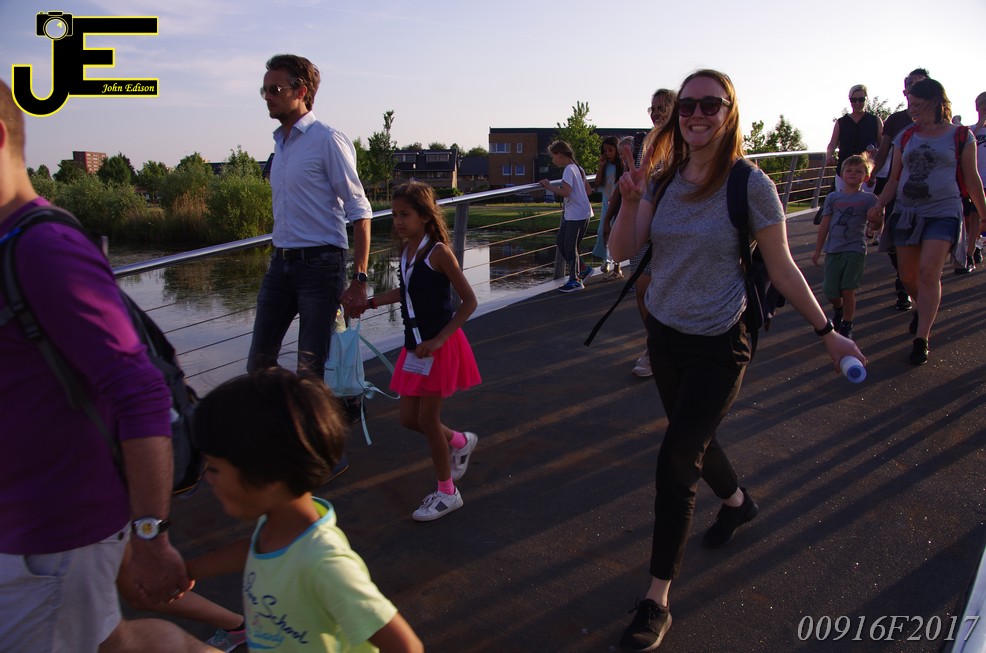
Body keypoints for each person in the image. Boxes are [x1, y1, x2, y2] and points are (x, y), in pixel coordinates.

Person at [608, 69, 863, 652]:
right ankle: (739, 504)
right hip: (665, 335)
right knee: (695, 440)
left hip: (721, 342)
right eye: (688, 106)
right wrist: (629, 201)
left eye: (710, 105)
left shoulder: (750, 185)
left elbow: (783, 268)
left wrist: (828, 332)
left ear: (729, 112)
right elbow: (623, 250)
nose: (696, 115)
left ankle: (656, 600)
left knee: (676, 460)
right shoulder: (663, 180)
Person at [0, 78, 214, 652]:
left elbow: (139, 392)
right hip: (25, 529)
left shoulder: (44, 249)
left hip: (50, 539)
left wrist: (150, 534)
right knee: (115, 642)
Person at [187, 369, 423, 652]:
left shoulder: (324, 564)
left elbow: (406, 646)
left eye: (215, 468)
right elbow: (258, 552)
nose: (208, 478)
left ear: (268, 477)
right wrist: (188, 571)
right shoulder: (278, 527)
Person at [360, 182, 482, 521]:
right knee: (408, 419)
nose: (398, 221)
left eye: (405, 215)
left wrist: (440, 340)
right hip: (415, 347)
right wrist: (370, 303)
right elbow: (406, 292)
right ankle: (459, 441)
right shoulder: (406, 251)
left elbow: (469, 301)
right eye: (394, 215)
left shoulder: (438, 252)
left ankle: (448, 492)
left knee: (428, 419)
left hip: (438, 346)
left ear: (425, 216)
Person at [247, 53, 372, 377]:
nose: (267, 97)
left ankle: (309, 407)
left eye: (275, 90)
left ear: (301, 91)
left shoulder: (327, 140)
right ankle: (293, 407)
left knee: (311, 369)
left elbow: (359, 209)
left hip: (320, 267)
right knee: (258, 364)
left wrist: (359, 279)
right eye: (264, 91)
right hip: (279, 265)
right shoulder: (281, 145)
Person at [867, 78, 986, 365]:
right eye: (909, 103)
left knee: (928, 272)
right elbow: (894, 179)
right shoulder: (905, 136)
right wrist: (879, 204)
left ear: (935, 102)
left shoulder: (961, 136)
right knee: (908, 276)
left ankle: (922, 338)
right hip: (907, 211)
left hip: (944, 211)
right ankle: (922, 307)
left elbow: (972, 179)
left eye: (917, 104)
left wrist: (984, 215)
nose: (912, 109)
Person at [603, 89, 677, 377]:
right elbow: (628, 184)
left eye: (662, 108)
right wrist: (610, 218)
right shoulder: (642, 144)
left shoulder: (687, 143)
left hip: (674, 229)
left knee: (671, 291)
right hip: (643, 227)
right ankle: (654, 344)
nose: (656, 114)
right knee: (643, 290)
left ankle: (670, 345)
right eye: (652, 109)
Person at [872, 68, 930, 311]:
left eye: (920, 84)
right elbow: (884, 150)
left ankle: (912, 290)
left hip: (927, 194)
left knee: (923, 244)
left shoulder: (938, 122)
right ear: (904, 92)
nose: (914, 89)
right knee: (895, 240)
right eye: (911, 85)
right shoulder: (895, 120)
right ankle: (904, 281)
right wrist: (872, 173)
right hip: (897, 187)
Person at [811, 154, 879, 340]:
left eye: (858, 171)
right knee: (830, 290)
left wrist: (876, 221)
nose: (853, 174)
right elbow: (825, 224)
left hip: (855, 249)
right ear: (842, 174)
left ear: (866, 177)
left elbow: (876, 225)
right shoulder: (833, 197)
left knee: (848, 289)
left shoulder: (869, 199)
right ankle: (838, 308)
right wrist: (817, 250)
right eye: (849, 170)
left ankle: (847, 323)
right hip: (834, 249)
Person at [540, 140, 596, 292]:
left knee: (570, 247)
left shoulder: (568, 170)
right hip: (579, 213)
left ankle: (575, 280)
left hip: (576, 215)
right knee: (562, 241)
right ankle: (583, 269)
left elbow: (565, 192)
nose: (553, 161)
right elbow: (588, 191)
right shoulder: (578, 168)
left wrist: (548, 186)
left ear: (560, 154)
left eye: (553, 157)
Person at [825, 84, 883, 193]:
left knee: (865, 201)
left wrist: (877, 154)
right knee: (843, 200)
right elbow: (832, 143)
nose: (857, 103)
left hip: (866, 172)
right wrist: (829, 156)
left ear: (866, 99)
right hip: (844, 171)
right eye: (853, 100)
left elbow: (883, 145)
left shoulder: (875, 120)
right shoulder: (841, 122)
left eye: (861, 99)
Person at [960, 91, 986, 271]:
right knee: (968, 218)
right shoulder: (969, 130)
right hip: (972, 179)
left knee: (977, 215)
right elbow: (965, 146)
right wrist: (981, 123)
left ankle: (969, 254)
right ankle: (976, 245)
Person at [591, 136, 624, 278]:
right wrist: (601, 166)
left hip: (618, 205)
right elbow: (597, 183)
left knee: (616, 234)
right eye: (605, 151)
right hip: (606, 204)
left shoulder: (622, 166)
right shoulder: (606, 166)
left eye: (611, 150)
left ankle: (617, 267)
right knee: (602, 232)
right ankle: (607, 259)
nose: (608, 153)